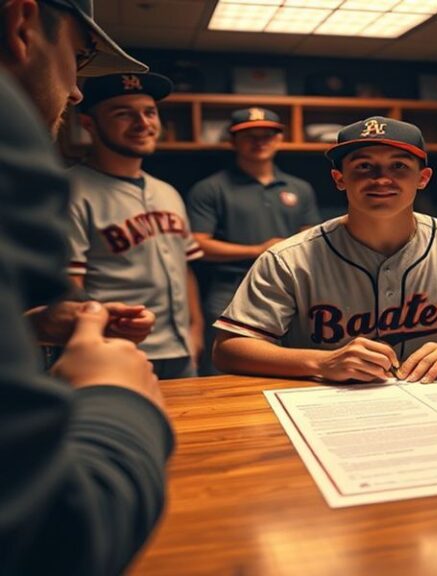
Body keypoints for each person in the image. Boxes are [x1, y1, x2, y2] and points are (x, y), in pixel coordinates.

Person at [0, 0, 172, 574]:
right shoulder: (36, 163)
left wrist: (30, 328)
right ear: (20, 25)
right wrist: (112, 398)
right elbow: (51, 532)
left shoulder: (167, 192)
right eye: (76, 57)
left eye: (150, 112)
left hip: (161, 350)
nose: (75, 91)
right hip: (114, 364)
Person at [212, 116, 437, 383]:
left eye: (399, 166)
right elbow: (229, 349)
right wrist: (320, 362)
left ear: (422, 179)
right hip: (328, 406)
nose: (381, 179)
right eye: (364, 166)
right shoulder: (288, 259)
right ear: (339, 179)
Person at [67, 72, 205, 379]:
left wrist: (195, 330)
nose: (143, 123)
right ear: (89, 124)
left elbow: (184, 268)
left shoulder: (167, 191)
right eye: (123, 114)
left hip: (180, 350)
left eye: (149, 112)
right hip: (113, 351)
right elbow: (69, 286)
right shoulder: (69, 191)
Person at [186, 107, 320, 374]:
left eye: (268, 135)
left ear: (280, 139)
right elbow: (197, 245)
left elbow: (312, 240)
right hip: (230, 289)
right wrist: (257, 250)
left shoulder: (299, 188)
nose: (260, 141)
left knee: (287, 366)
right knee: (224, 370)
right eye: (250, 136)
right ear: (232, 141)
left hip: (289, 290)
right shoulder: (211, 188)